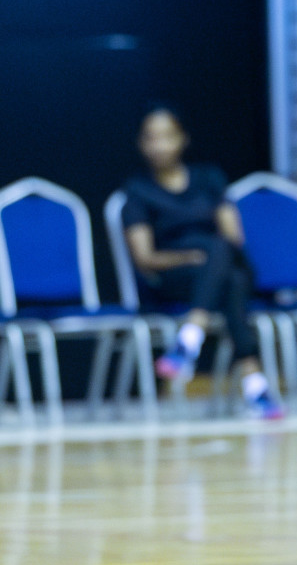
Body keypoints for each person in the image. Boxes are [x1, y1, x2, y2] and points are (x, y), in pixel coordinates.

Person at [121, 107, 282, 419]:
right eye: (152, 138)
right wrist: (188, 257)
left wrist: (209, 256)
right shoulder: (137, 192)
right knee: (231, 281)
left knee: (222, 253)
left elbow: (233, 236)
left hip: (218, 261)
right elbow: (145, 258)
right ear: (142, 144)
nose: (159, 146)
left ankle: (190, 335)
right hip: (176, 275)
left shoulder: (209, 178)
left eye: (167, 137)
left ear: (182, 139)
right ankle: (255, 384)